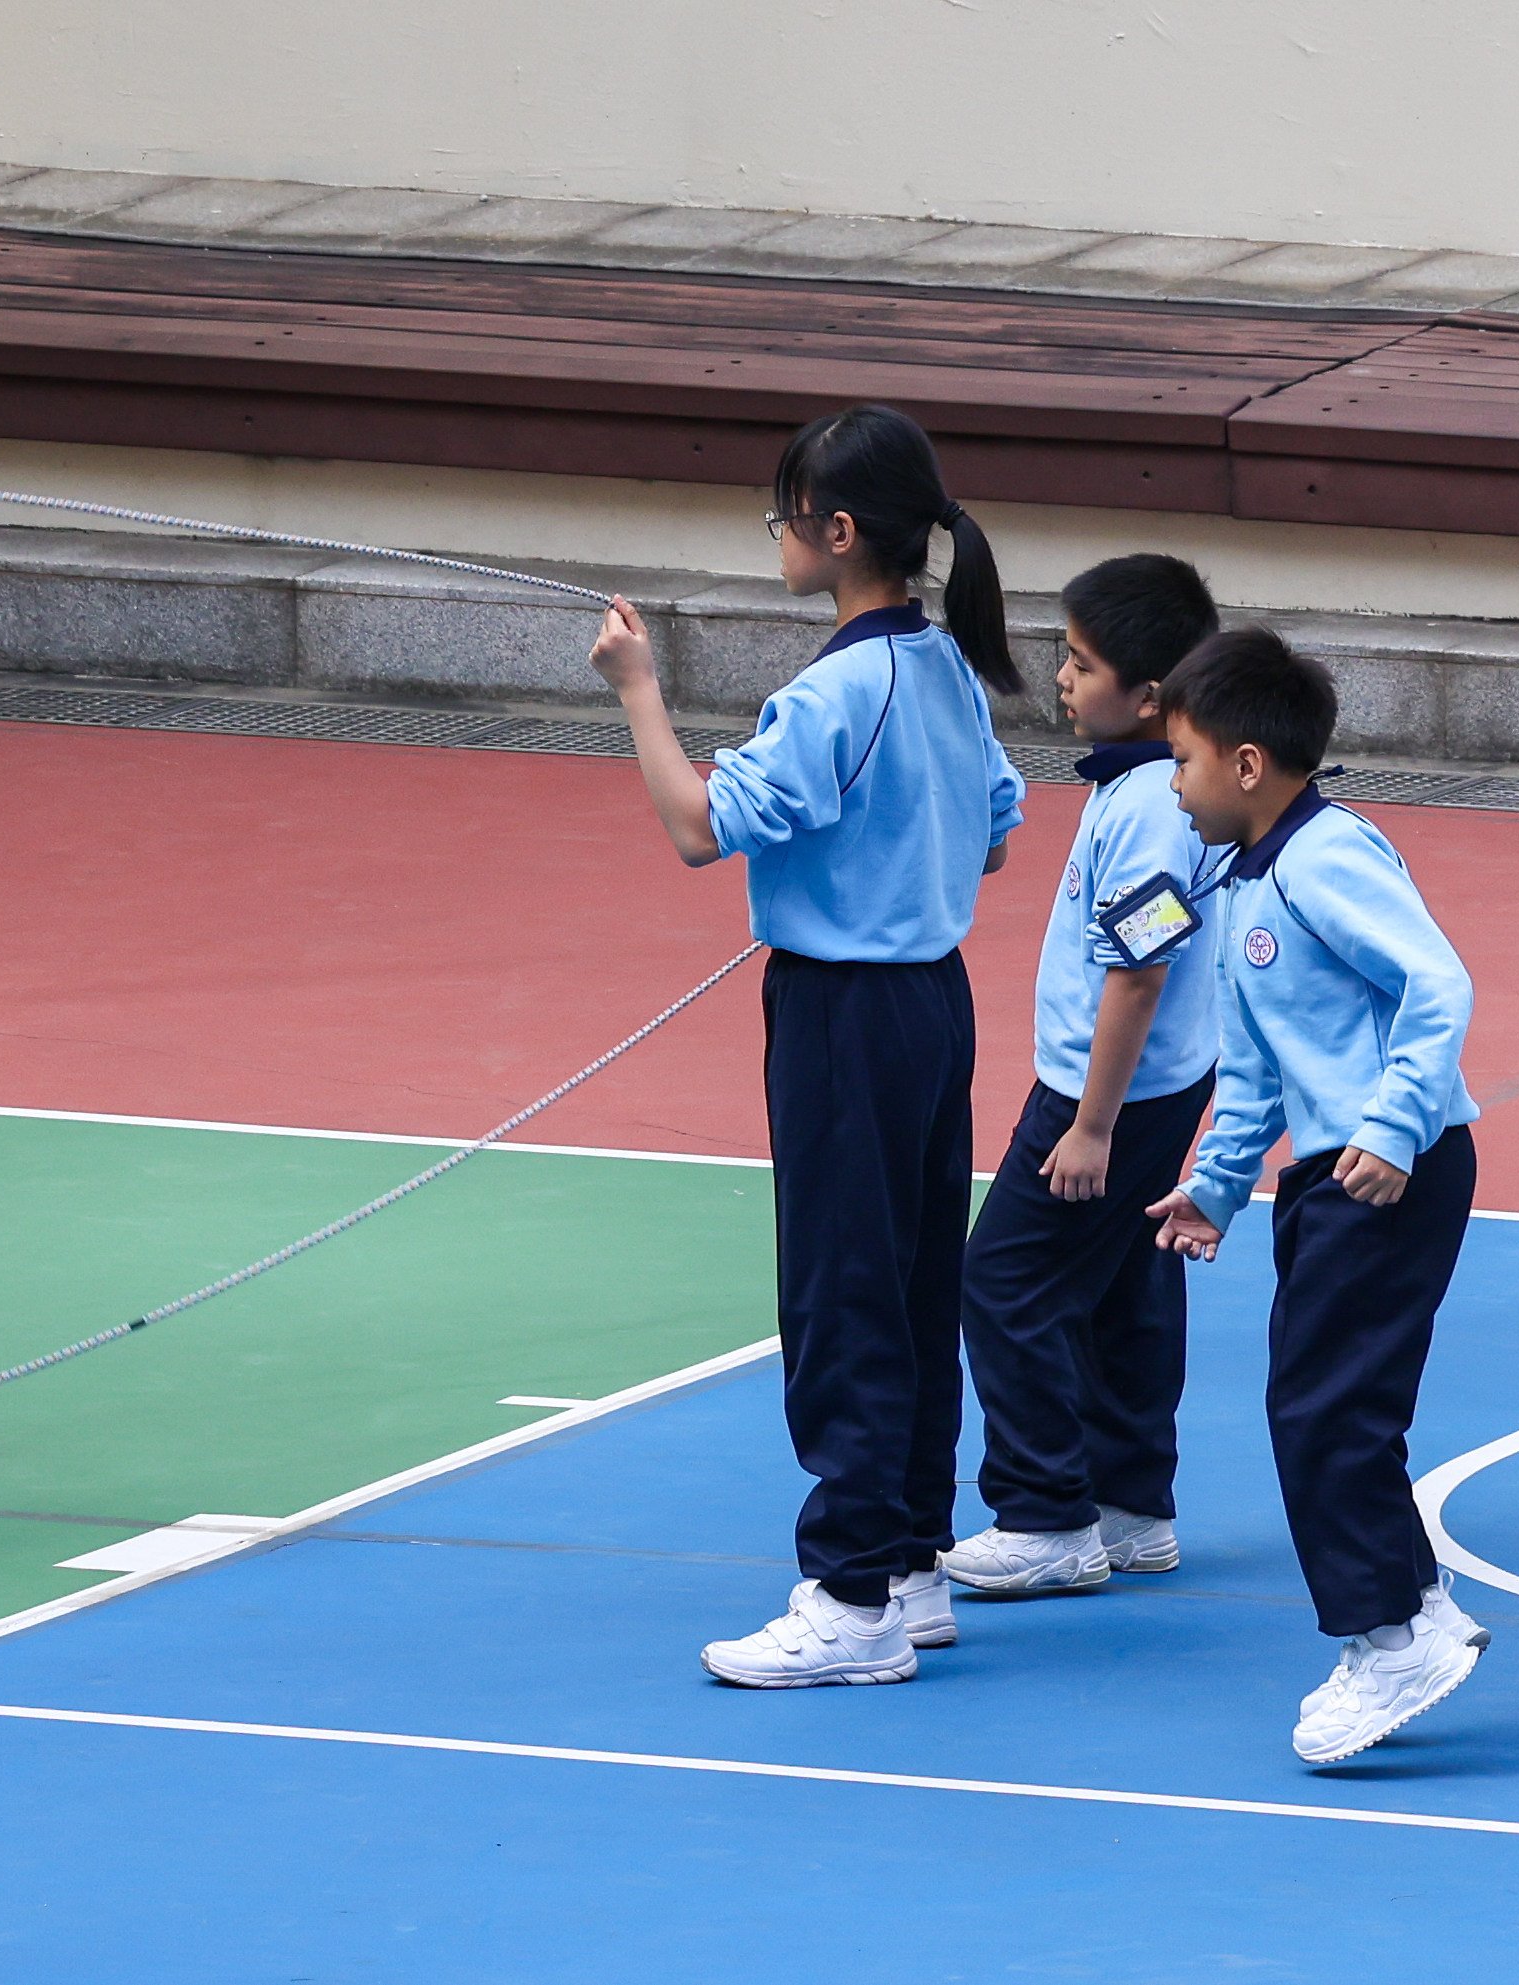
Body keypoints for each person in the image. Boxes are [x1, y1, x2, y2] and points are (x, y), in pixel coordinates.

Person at [587, 403, 1024, 1687]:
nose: (775, 535)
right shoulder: (942, 667)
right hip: (936, 1003)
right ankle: (910, 1562)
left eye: (785, 515)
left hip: (846, 1014)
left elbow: (692, 826)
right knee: (913, 1279)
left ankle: (850, 1592)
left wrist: (639, 690)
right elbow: (994, 832)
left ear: (838, 533)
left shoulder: (832, 692)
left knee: (841, 1291)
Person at [1143, 626, 1490, 1765]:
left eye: (1184, 759)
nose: (1175, 782)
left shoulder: (1325, 858)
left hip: (1384, 1170)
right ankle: (1411, 1604)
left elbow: (1437, 981)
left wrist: (1392, 1129)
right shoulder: (1254, 879)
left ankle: (1387, 1635)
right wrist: (1214, 1185)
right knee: (1325, 1402)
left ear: (1248, 764)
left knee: (1325, 1408)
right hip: (1335, 1173)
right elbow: (1253, 1069)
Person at [944, 555, 1222, 1597]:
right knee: (1121, 1286)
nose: (1062, 676)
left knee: (1006, 1280)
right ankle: (1132, 1503)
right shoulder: (1154, 786)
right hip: (1155, 1084)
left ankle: (1045, 1511)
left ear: (1149, 697)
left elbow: (1140, 970)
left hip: (1107, 1093)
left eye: (1082, 661)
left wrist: (1091, 1122)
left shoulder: (1149, 806)